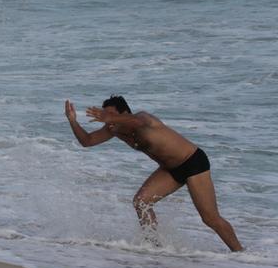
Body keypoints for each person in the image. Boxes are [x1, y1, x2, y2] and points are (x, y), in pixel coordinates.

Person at [65, 96, 242, 251]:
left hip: (192, 162)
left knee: (210, 218)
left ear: (125, 113)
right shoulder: (115, 129)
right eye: (106, 118)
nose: (109, 121)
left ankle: (240, 253)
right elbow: (87, 141)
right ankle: (155, 247)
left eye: (113, 116)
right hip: (169, 169)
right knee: (141, 202)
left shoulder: (143, 119)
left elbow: (139, 121)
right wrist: (72, 120)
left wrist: (110, 117)